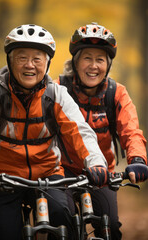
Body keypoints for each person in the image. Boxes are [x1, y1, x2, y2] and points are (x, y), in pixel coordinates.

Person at [0, 24, 108, 240]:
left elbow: (80, 131)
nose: (30, 65)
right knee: (5, 233)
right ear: (10, 62)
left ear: (47, 63)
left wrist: (96, 162)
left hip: (48, 175)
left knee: (64, 218)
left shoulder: (55, 94)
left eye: (37, 59)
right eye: (21, 57)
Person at [55, 22, 148, 239]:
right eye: (87, 58)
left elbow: (131, 130)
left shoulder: (116, 93)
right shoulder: (58, 89)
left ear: (108, 65)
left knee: (111, 228)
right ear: (75, 62)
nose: (93, 66)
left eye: (100, 60)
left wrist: (138, 159)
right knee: (62, 224)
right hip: (62, 172)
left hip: (101, 173)